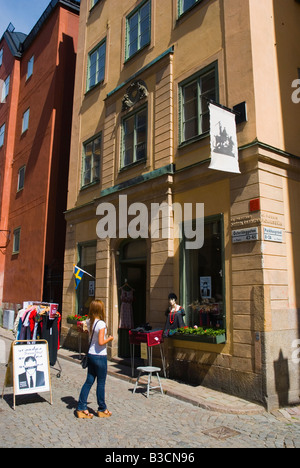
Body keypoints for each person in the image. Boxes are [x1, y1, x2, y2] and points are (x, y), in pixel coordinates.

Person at [76, 300, 114, 419]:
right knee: (101, 383)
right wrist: (110, 338)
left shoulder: (89, 321)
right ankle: (102, 409)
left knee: (89, 381)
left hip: (91, 355)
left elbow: (81, 327)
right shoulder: (101, 323)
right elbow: (101, 342)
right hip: (100, 356)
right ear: (100, 309)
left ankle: (81, 407)